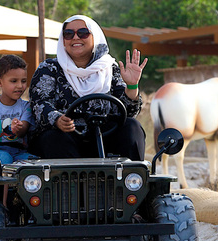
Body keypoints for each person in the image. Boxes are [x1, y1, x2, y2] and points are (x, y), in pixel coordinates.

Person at [28, 15, 148, 161]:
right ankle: (68, 183)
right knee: (53, 138)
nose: (75, 37)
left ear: (95, 36)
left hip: (105, 134)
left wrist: (132, 85)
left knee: (132, 126)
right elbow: (39, 103)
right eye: (68, 34)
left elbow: (128, 111)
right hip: (65, 134)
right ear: (63, 40)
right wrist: (58, 119)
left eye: (83, 32)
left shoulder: (110, 68)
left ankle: (132, 179)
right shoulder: (49, 68)